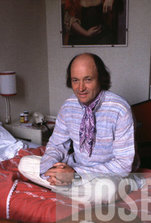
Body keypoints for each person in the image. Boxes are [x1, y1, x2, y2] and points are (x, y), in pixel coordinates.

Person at [19, 53, 138, 203]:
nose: (80, 88)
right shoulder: (68, 106)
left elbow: (123, 165)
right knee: (25, 163)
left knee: (107, 191)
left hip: (109, 176)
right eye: (75, 80)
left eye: (88, 79)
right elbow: (57, 145)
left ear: (100, 78)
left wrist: (76, 174)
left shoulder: (120, 109)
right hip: (75, 167)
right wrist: (51, 168)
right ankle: (64, 184)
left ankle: (62, 186)